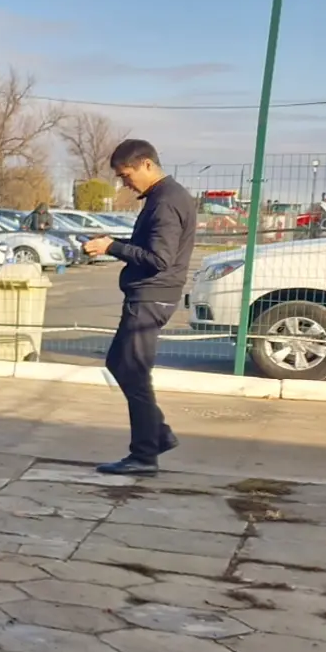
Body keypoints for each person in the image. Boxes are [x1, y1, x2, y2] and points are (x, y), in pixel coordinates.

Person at [83, 139, 196, 475]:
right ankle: (157, 434)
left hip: (152, 295)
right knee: (119, 362)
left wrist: (112, 247)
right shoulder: (164, 197)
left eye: (127, 175)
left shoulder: (165, 202)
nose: (125, 183)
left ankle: (145, 454)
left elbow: (159, 259)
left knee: (133, 371)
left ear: (147, 164)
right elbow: (152, 248)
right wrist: (114, 245)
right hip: (148, 295)